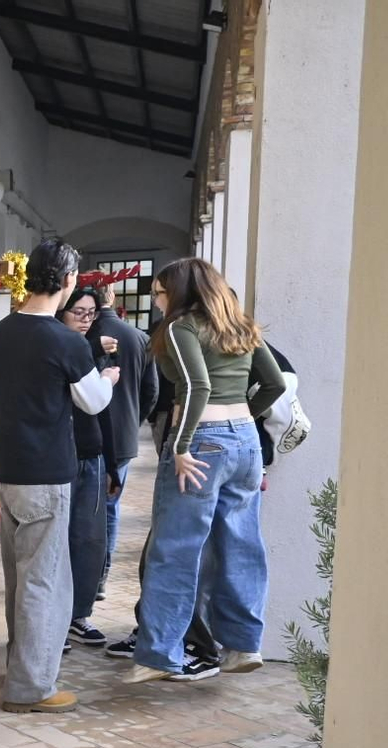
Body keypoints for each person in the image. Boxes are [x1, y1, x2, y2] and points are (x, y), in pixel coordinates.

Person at [124, 258, 285, 683]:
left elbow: (197, 386)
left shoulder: (182, 327)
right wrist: (240, 420)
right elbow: (276, 385)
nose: (156, 301)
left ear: (179, 292)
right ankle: (243, 646)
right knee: (241, 545)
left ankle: (158, 655)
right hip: (246, 442)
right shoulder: (241, 326)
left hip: (200, 443)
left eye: (159, 293)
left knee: (175, 547)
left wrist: (179, 445)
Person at [0, 240, 119, 713]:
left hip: (6, 471)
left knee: (19, 580)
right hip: (46, 474)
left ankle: (18, 666)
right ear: (66, 281)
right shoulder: (66, 342)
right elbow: (93, 403)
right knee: (45, 582)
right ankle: (30, 687)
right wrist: (108, 379)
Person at [87, 285, 159, 600]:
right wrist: (134, 418)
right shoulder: (140, 338)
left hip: (84, 435)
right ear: (112, 298)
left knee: (81, 509)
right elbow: (151, 391)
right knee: (110, 508)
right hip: (123, 437)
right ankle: (101, 577)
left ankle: (82, 577)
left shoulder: (80, 335)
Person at [58, 288, 119, 649]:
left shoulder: (93, 352)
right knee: (58, 541)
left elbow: (103, 414)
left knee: (89, 539)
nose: (84, 318)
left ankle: (78, 615)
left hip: (91, 455)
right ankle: (57, 618)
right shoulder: (59, 348)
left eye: (91, 313)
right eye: (77, 311)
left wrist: (112, 463)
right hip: (59, 457)